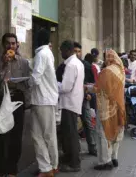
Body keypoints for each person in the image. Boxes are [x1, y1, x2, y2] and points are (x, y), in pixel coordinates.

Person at [0, 33, 30, 177]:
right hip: (1, 98)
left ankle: (12, 169)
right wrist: (4, 65)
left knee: (16, 136)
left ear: (17, 45)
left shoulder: (23, 62)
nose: (11, 46)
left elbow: (27, 83)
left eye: (13, 43)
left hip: (17, 98)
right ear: (3, 44)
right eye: (8, 43)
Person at [29, 29, 59, 176]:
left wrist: (25, 82)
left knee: (46, 135)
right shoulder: (46, 53)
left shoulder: (42, 54)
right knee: (38, 135)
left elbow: (36, 77)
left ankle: (51, 166)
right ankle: (46, 167)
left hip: (43, 100)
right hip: (42, 99)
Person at [94, 49, 125, 170]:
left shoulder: (106, 72)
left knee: (103, 132)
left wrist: (87, 88)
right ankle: (114, 156)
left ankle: (104, 161)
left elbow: (98, 88)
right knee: (117, 130)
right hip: (119, 105)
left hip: (106, 107)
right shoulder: (120, 70)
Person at [57, 40, 85, 172]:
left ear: (68, 50)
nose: (60, 53)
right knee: (69, 133)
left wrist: (53, 83)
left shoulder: (71, 65)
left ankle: (74, 163)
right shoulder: (77, 63)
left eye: (61, 50)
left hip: (69, 103)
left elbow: (65, 87)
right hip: (73, 102)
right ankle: (69, 158)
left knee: (71, 134)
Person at [74, 42, 97, 157]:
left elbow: (92, 83)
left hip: (84, 99)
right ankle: (75, 149)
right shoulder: (65, 65)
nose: (77, 54)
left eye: (79, 51)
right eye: (75, 51)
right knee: (73, 126)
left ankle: (92, 147)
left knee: (88, 123)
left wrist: (89, 94)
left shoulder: (86, 65)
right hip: (71, 101)